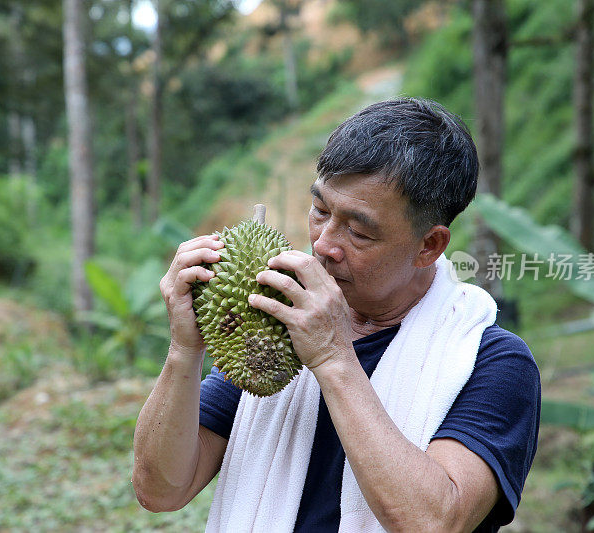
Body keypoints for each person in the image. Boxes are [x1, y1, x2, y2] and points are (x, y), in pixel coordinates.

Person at [132, 97, 540, 532]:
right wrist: (184, 350)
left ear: (429, 246)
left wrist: (332, 358)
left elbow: (436, 521)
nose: (324, 243)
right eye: (320, 210)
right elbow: (161, 490)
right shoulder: (278, 321)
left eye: (359, 231)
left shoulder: (495, 364)